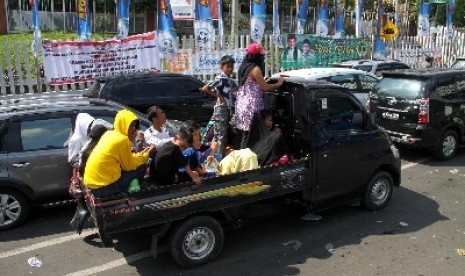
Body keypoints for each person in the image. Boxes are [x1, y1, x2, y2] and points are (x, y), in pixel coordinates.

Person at [83, 110, 156, 197]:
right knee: (141, 167)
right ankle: (135, 194)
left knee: (137, 164)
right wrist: (146, 155)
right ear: (122, 124)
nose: (133, 129)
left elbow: (127, 159)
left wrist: (141, 155)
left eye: (134, 126)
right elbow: (129, 166)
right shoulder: (122, 140)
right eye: (130, 125)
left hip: (92, 185)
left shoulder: (109, 134)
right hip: (103, 189)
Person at [236, 42, 285, 149]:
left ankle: (240, 157)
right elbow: (266, 88)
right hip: (251, 107)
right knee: (251, 137)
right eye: (261, 56)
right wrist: (279, 83)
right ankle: (246, 161)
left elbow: (250, 83)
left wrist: (262, 81)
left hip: (242, 105)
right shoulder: (255, 69)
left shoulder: (244, 67)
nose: (262, 58)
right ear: (257, 57)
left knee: (244, 134)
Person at [201, 55, 238, 155]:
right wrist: (218, 96)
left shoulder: (231, 81)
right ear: (222, 67)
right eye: (228, 67)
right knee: (220, 136)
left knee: (224, 135)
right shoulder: (220, 78)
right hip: (221, 109)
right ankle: (217, 158)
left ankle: (219, 156)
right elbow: (205, 88)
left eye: (232, 66)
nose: (230, 69)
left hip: (229, 110)